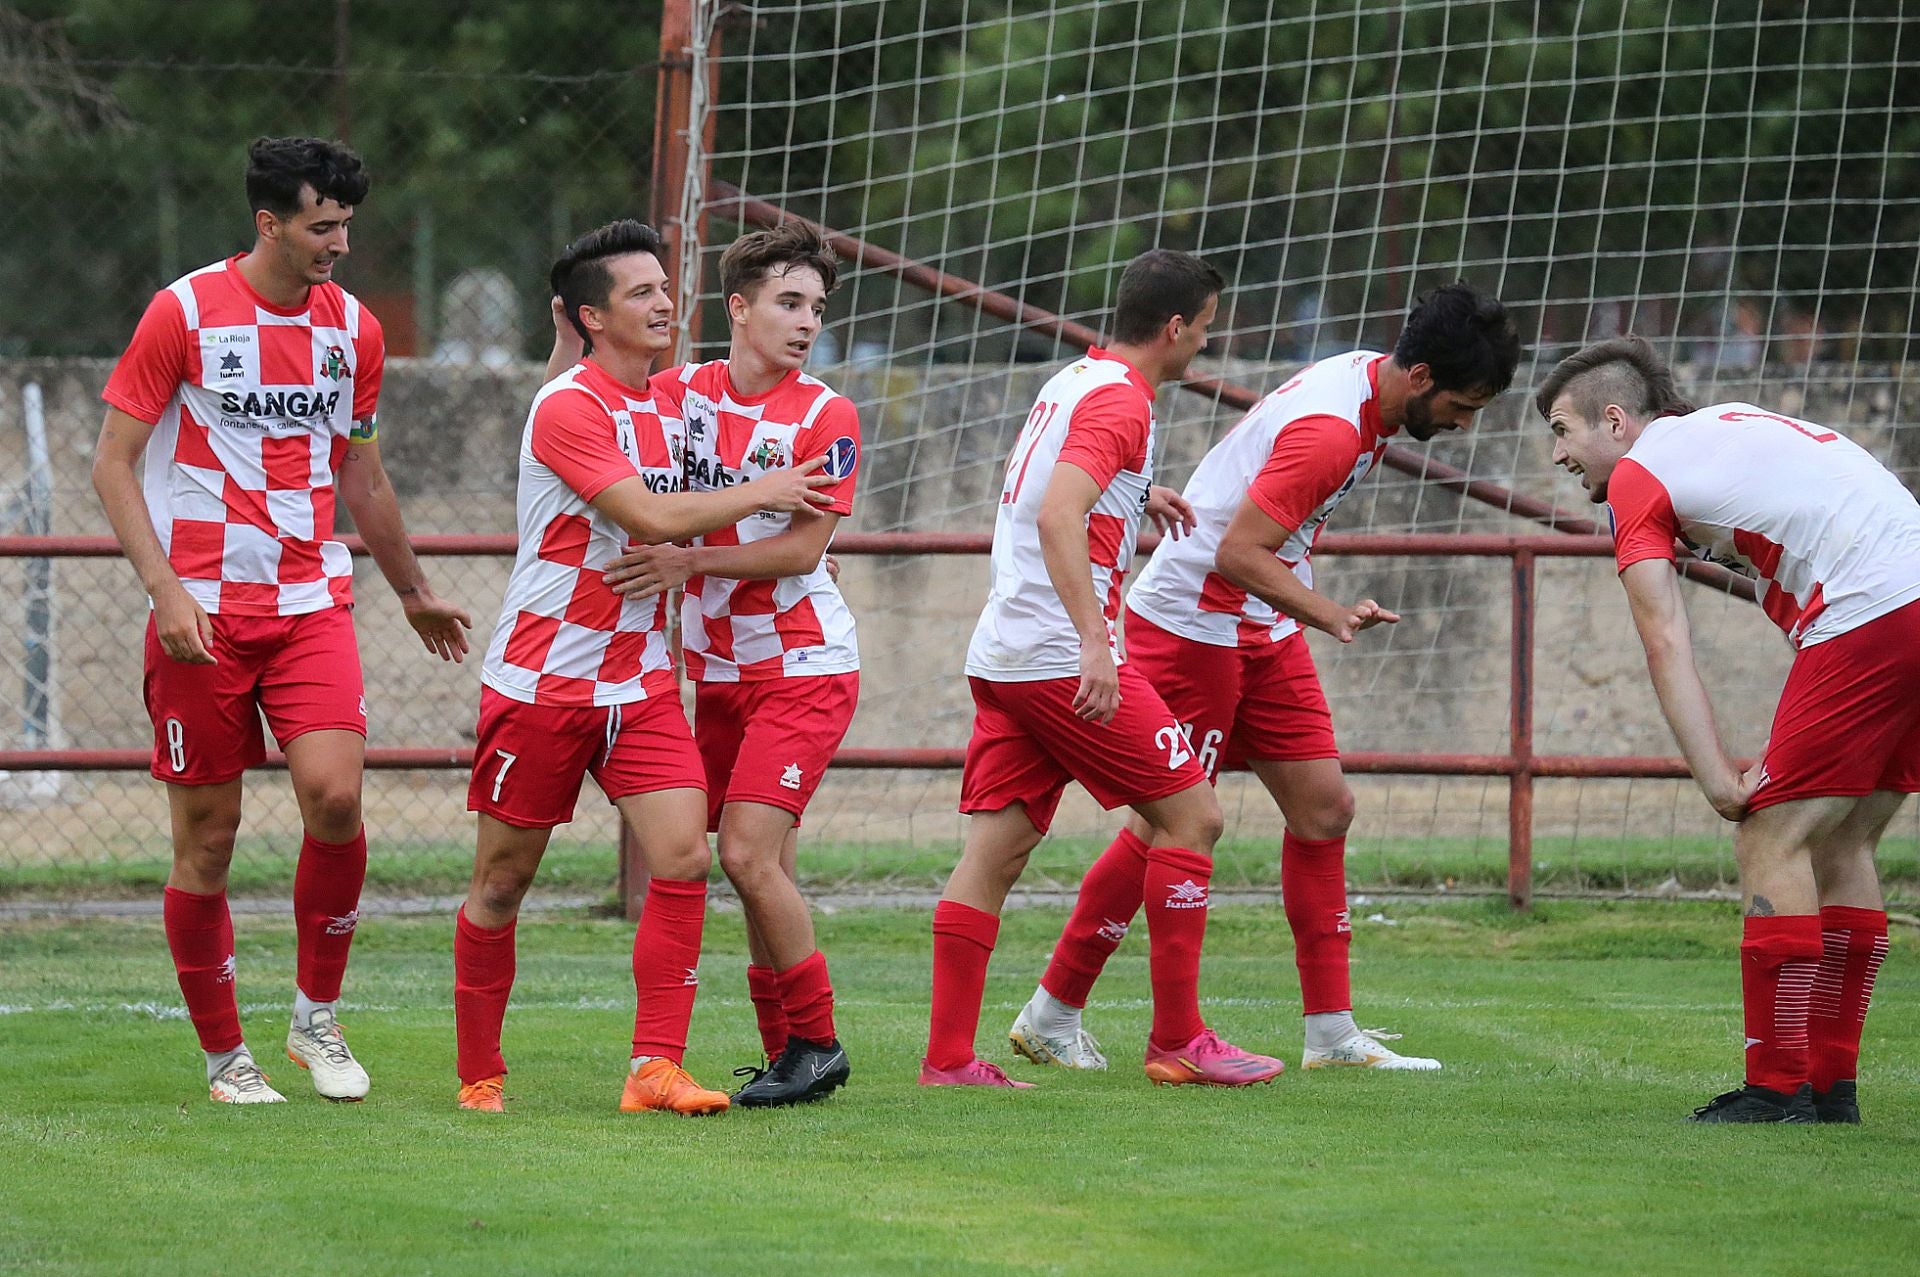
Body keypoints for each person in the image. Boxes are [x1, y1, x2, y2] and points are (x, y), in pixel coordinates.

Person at [1010, 283, 1521, 1076]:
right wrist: (1329, 612)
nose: (1463, 424)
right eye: (1462, 404)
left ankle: (1331, 1033)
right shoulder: (1331, 430)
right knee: (1170, 823)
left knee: (1325, 810)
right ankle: (1055, 1009)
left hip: (1258, 621)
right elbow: (1237, 552)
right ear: (1417, 376)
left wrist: (1298, 608)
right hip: (1193, 621)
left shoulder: (1371, 386)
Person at [91, 136, 472, 1104]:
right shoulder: (181, 312)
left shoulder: (356, 330)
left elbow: (364, 472)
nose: (338, 244)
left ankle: (314, 1016)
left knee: (336, 798)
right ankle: (227, 1058)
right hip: (203, 614)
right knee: (209, 840)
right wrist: (165, 589)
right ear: (269, 222)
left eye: (346, 225)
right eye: (321, 226)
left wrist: (413, 588)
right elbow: (112, 465)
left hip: (311, 604)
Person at [451, 220, 837, 1116]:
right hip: (543, 681)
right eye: (640, 292)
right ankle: (480, 1073)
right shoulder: (568, 407)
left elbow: (736, 447)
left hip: (641, 683)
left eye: (666, 287)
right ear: (592, 317)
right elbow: (654, 520)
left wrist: (799, 528)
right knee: (502, 884)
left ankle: (654, 1067)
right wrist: (772, 495)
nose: (665, 302)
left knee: (683, 859)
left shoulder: (675, 400)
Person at [922, 247, 1286, 1089]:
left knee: (996, 852)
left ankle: (946, 1061)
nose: (1204, 344)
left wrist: (1138, 490)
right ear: (1172, 328)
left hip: (1005, 653)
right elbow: (1058, 514)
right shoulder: (1123, 401)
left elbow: (1067, 481)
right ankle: (1180, 1040)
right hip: (1058, 657)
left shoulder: (1079, 380)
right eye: (1203, 329)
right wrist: (1095, 640)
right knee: (1193, 817)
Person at [1539, 334, 1919, 1124]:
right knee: (1842, 842)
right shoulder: (1728, 428)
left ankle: (1774, 1088)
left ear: (1616, 421)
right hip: (1902, 595)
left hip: (1873, 611)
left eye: (1562, 430)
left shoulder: (1641, 475)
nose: (1556, 455)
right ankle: (1830, 1089)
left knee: (1767, 835)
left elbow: (1663, 633)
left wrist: (1715, 776)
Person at [582, 222, 863, 1107]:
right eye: (788, 302)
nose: (807, 322)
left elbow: (803, 549)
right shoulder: (678, 396)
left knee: (744, 853)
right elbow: (592, 397)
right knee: (746, 856)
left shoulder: (826, 414)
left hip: (805, 665)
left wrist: (690, 562)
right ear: (738, 310)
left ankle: (817, 1043)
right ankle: (789, 1050)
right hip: (718, 673)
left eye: (817, 307)